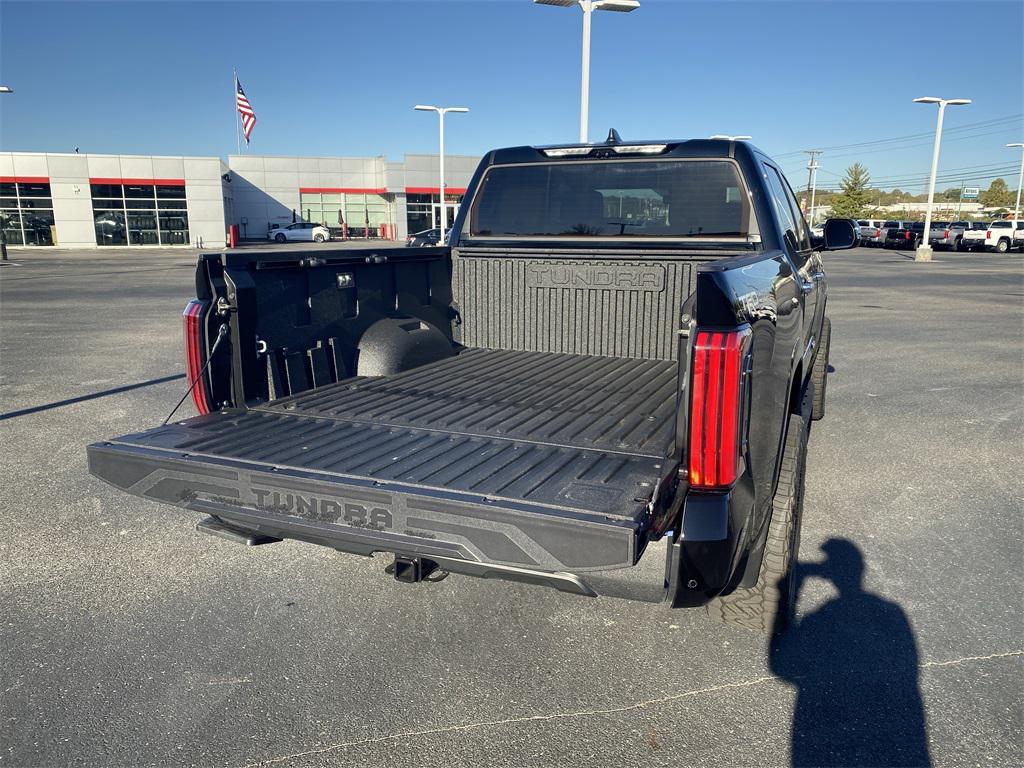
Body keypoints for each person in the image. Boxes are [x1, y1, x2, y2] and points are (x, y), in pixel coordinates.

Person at [770, 538, 931, 767]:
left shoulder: (823, 617)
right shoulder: (892, 613)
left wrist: (789, 592)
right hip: (898, 731)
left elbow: (782, 666)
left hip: (822, 729)